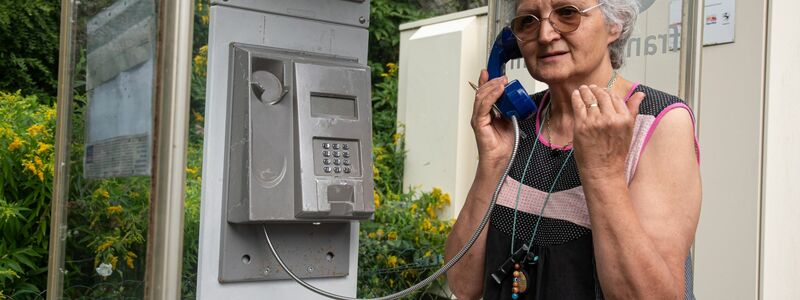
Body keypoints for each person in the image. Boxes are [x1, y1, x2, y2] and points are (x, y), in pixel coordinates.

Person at [444, 0, 701, 299]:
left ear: (614, 23)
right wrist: (491, 165)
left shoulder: (658, 121)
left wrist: (603, 173)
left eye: (567, 13)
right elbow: (462, 284)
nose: (544, 35)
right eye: (528, 21)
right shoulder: (516, 126)